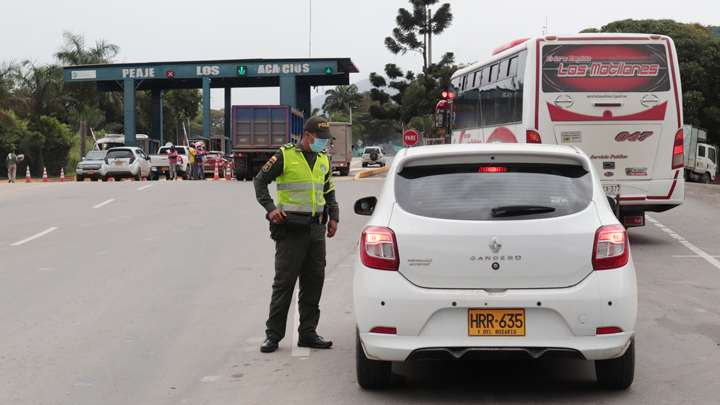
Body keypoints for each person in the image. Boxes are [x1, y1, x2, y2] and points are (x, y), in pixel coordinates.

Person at [254, 116, 339, 353]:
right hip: (291, 229)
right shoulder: (285, 155)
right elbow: (260, 181)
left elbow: (328, 190)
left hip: (317, 229)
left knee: (314, 282)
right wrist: (271, 210)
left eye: (326, 140)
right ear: (308, 135)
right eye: (321, 139)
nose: (324, 143)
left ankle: (308, 334)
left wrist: (334, 216)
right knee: (284, 283)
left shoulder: (323, 159)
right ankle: (273, 335)